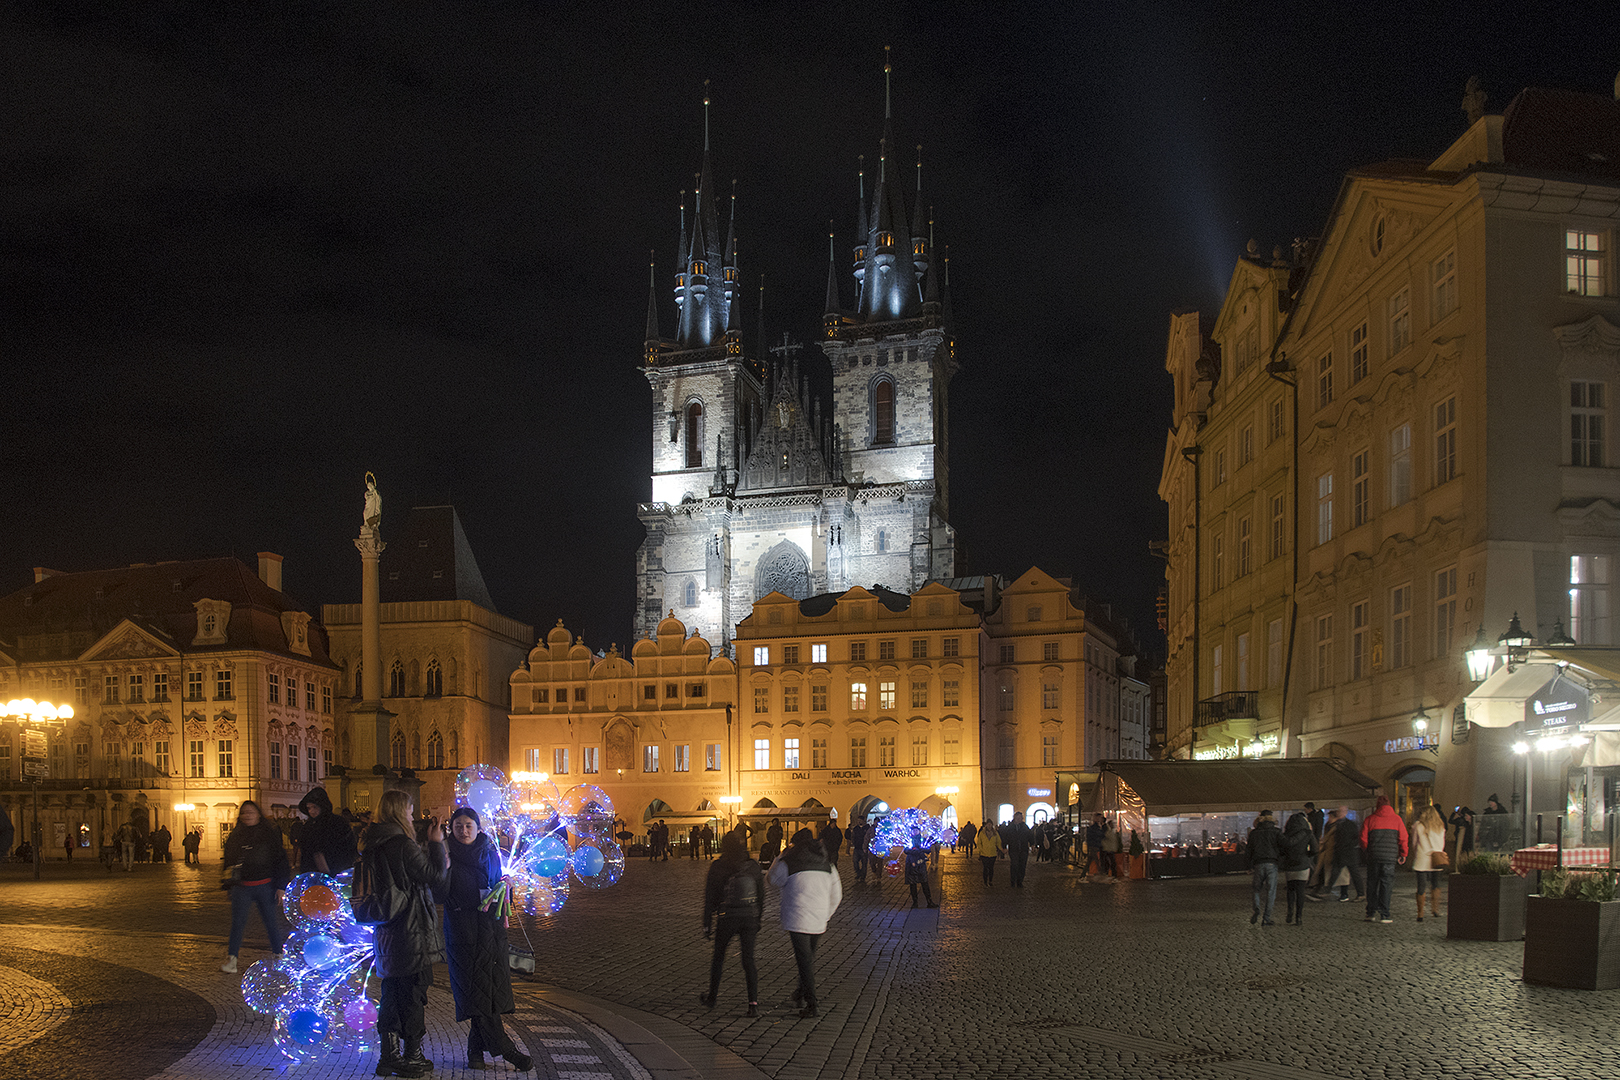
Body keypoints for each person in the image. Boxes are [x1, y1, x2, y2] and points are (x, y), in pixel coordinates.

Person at [362, 788, 451, 1079]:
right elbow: (434, 876)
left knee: (391, 992)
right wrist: (436, 844)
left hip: (386, 931)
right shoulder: (402, 844)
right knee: (414, 993)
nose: (413, 817)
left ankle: (389, 1057)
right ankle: (412, 1056)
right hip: (411, 930)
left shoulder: (372, 843)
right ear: (401, 812)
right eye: (410, 812)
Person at [435, 807, 532, 1072]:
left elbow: (501, 894)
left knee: (486, 991)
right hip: (463, 933)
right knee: (476, 991)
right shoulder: (445, 854)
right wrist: (441, 866)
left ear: (478, 828)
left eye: (468, 825)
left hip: (491, 932)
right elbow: (438, 894)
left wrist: (507, 887)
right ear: (451, 829)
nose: (463, 830)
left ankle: (475, 1051)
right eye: (458, 826)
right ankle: (506, 1049)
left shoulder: (490, 853)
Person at [767, 829, 842, 1018]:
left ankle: (812, 1003)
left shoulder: (789, 862)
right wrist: (826, 914)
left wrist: (779, 857)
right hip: (819, 919)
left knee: (804, 961)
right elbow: (837, 894)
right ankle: (799, 994)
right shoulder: (827, 864)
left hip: (797, 918)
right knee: (807, 959)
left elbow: (772, 880)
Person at [220, 800, 291, 974]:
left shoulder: (268, 834)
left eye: (251, 812)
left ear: (258, 814)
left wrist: (280, 886)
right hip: (242, 886)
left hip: (265, 885)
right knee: (237, 924)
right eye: (244, 813)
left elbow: (280, 860)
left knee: (270, 922)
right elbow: (228, 860)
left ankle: (278, 955)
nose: (247, 816)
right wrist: (228, 883)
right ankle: (232, 959)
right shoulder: (236, 835)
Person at [700, 831, 764, 1016]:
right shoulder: (752, 866)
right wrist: (757, 919)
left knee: (718, 957)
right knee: (748, 960)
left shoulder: (718, 866)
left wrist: (707, 923)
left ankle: (712, 997)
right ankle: (753, 1003)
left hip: (727, 917)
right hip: (749, 917)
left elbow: (710, 896)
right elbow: (761, 894)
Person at [1361, 795, 1410, 924]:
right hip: (1389, 857)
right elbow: (1403, 838)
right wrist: (1403, 854)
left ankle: (1370, 913)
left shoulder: (1370, 819)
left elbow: (1363, 839)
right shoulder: (1397, 819)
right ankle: (1385, 914)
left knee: (1372, 884)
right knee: (1386, 884)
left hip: (1374, 857)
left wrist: (1367, 851)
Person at [297, 787, 359, 875]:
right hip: (313, 874)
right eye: (309, 808)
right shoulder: (308, 826)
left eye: (315, 807)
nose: (312, 811)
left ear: (322, 806)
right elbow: (305, 854)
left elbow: (348, 848)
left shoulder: (337, 823)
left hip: (336, 871)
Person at [1279, 812, 1318, 925]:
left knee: (1290, 890)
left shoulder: (1286, 835)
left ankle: (1290, 912)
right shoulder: (1308, 833)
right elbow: (1315, 849)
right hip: (1303, 864)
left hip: (1290, 865)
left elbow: (1281, 850)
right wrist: (1307, 855)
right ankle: (1298, 917)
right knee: (1300, 891)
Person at [1410, 804, 1447, 923]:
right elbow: (1443, 842)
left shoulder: (1418, 825)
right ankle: (1435, 909)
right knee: (1436, 884)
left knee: (1421, 886)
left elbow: (1414, 842)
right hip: (1437, 858)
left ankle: (1420, 913)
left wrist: (1416, 853)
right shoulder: (1440, 825)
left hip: (1422, 858)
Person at [1247, 810, 1283, 925]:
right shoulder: (1276, 832)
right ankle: (1266, 917)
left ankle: (1256, 908)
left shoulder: (1254, 833)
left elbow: (1249, 850)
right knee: (1271, 891)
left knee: (1256, 889)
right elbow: (1283, 846)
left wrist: (1248, 865)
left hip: (1258, 863)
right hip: (1272, 863)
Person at [904, 831, 938, 908]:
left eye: (916, 830)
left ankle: (929, 901)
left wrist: (920, 850)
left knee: (924, 883)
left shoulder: (923, 840)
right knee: (913, 884)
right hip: (911, 864)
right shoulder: (908, 839)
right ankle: (915, 902)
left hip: (920, 864)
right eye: (914, 830)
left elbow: (928, 850)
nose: (915, 832)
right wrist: (917, 851)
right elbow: (906, 850)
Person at [1006, 814, 1033, 887]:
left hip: (1023, 849)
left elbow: (1030, 836)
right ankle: (1013, 880)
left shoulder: (1025, 827)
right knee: (1014, 865)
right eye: (1018, 818)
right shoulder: (1010, 827)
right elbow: (1006, 836)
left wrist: (1032, 844)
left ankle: (1019, 881)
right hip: (1014, 849)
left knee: (1022, 866)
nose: (1019, 819)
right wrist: (1004, 846)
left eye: (1020, 818)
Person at [975, 817, 1003, 885]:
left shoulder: (995, 833)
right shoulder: (982, 833)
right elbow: (979, 842)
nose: (989, 826)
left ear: (992, 825)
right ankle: (985, 881)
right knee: (985, 868)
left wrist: (1001, 849)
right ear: (986, 825)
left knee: (991, 868)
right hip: (984, 854)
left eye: (990, 824)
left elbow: (998, 842)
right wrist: (981, 850)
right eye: (988, 824)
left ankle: (990, 880)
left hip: (993, 853)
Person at [848, 818, 870, 882]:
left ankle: (863, 876)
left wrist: (866, 845)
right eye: (858, 820)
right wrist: (854, 843)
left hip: (864, 848)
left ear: (863, 821)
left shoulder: (867, 828)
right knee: (855, 862)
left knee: (864, 863)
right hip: (857, 848)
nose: (859, 821)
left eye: (860, 820)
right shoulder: (856, 828)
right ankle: (858, 873)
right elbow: (853, 836)